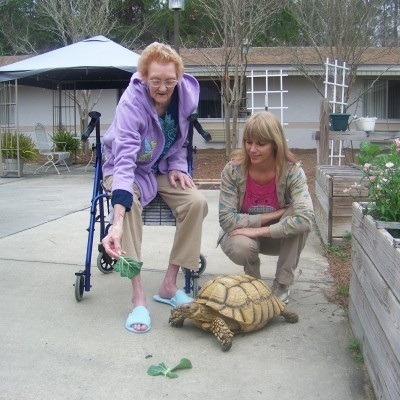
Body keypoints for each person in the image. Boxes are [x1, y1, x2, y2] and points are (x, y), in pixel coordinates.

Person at [101, 42, 208, 333]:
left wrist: (177, 166)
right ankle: (138, 297)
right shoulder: (132, 103)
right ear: (144, 76)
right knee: (130, 204)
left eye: (169, 81)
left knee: (196, 201)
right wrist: (117, 219)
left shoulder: (184, 96)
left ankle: (169, 285)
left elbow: (179, 141)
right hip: (126, 170)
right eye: (155, 81)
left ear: (179, 78)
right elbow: (123, 160)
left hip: (159, 168)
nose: (162, 88)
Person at [218, 111, 314, 303]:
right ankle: (254, 284)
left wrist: (260, 231)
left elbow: (306, 217)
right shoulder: (233, 170)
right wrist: (270, 216)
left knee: (297, 213)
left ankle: (282, 285)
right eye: (248, 142)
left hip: (278, 238)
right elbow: (226, 219)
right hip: (241, 235)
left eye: (260, 144)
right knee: (241, 247)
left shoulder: (292, 171)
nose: (252, 149)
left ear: (275, 145)